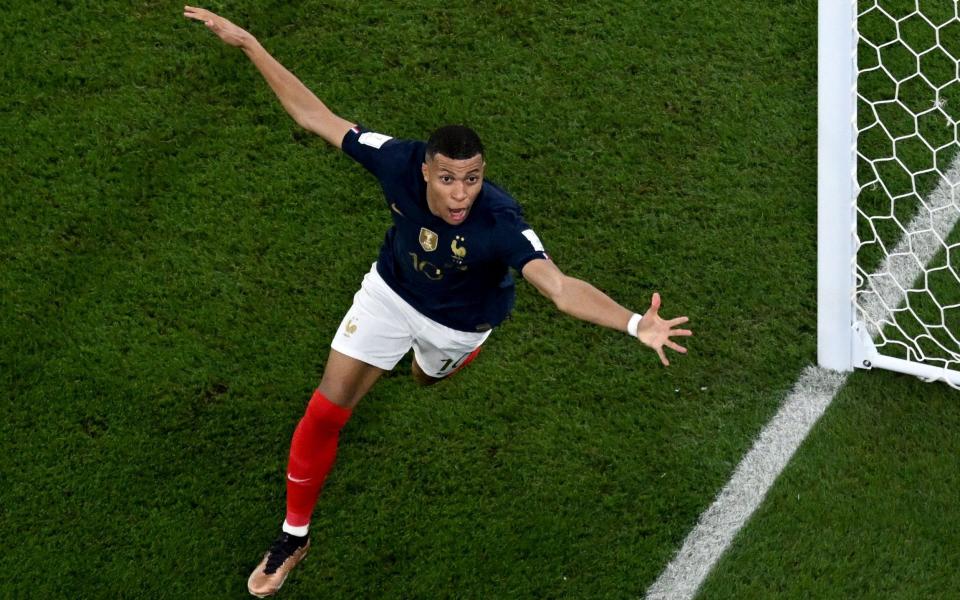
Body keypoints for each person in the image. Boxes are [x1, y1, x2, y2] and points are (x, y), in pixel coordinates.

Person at [184, 6, 693, 597]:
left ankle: (441, 363)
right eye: (449, 178)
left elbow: (558, 287)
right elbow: (313, 115)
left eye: (473, 178)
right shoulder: (394, 160)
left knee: (427, 379)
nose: (460, 194)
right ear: (425, 169)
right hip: (390, 292)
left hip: (458, 325)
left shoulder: (500, 221)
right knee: (326, 408)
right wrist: (248, 42)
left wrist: (635, 324)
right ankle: (293, 536)